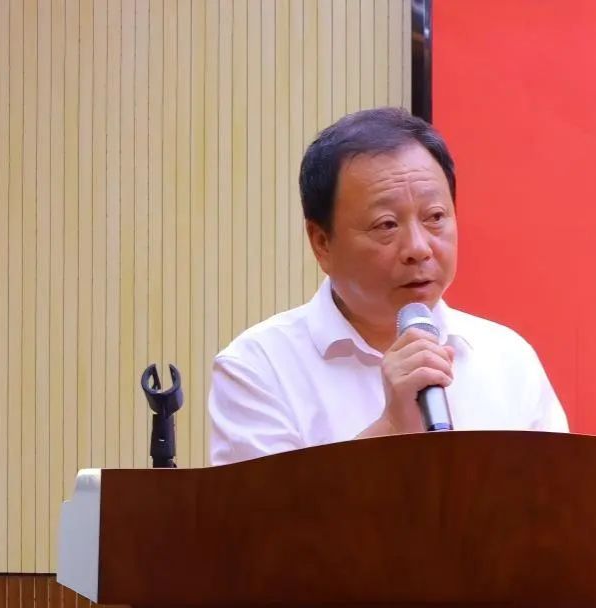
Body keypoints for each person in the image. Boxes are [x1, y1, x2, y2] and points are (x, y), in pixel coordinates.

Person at [208, 107, 567, 465]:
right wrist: (391, 427)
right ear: (322, 242)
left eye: (435, 217)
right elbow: (266, 505)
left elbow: (560, 495)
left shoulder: (507, 357)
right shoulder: (258, 368)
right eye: (386, 224)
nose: (418, 248)